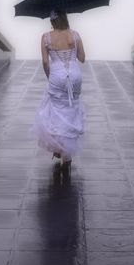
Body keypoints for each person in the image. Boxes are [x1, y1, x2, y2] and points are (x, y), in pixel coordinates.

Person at [30, 9, 86, 178]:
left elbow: (46, 62)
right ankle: (66, 155)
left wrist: (50, 77)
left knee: (56, 112)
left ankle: (60, 149)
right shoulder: (75, 35)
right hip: (75, 76)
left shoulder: (46, 37)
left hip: (57, 75)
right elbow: (82, 58)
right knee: (71, 111)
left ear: (52, 20)